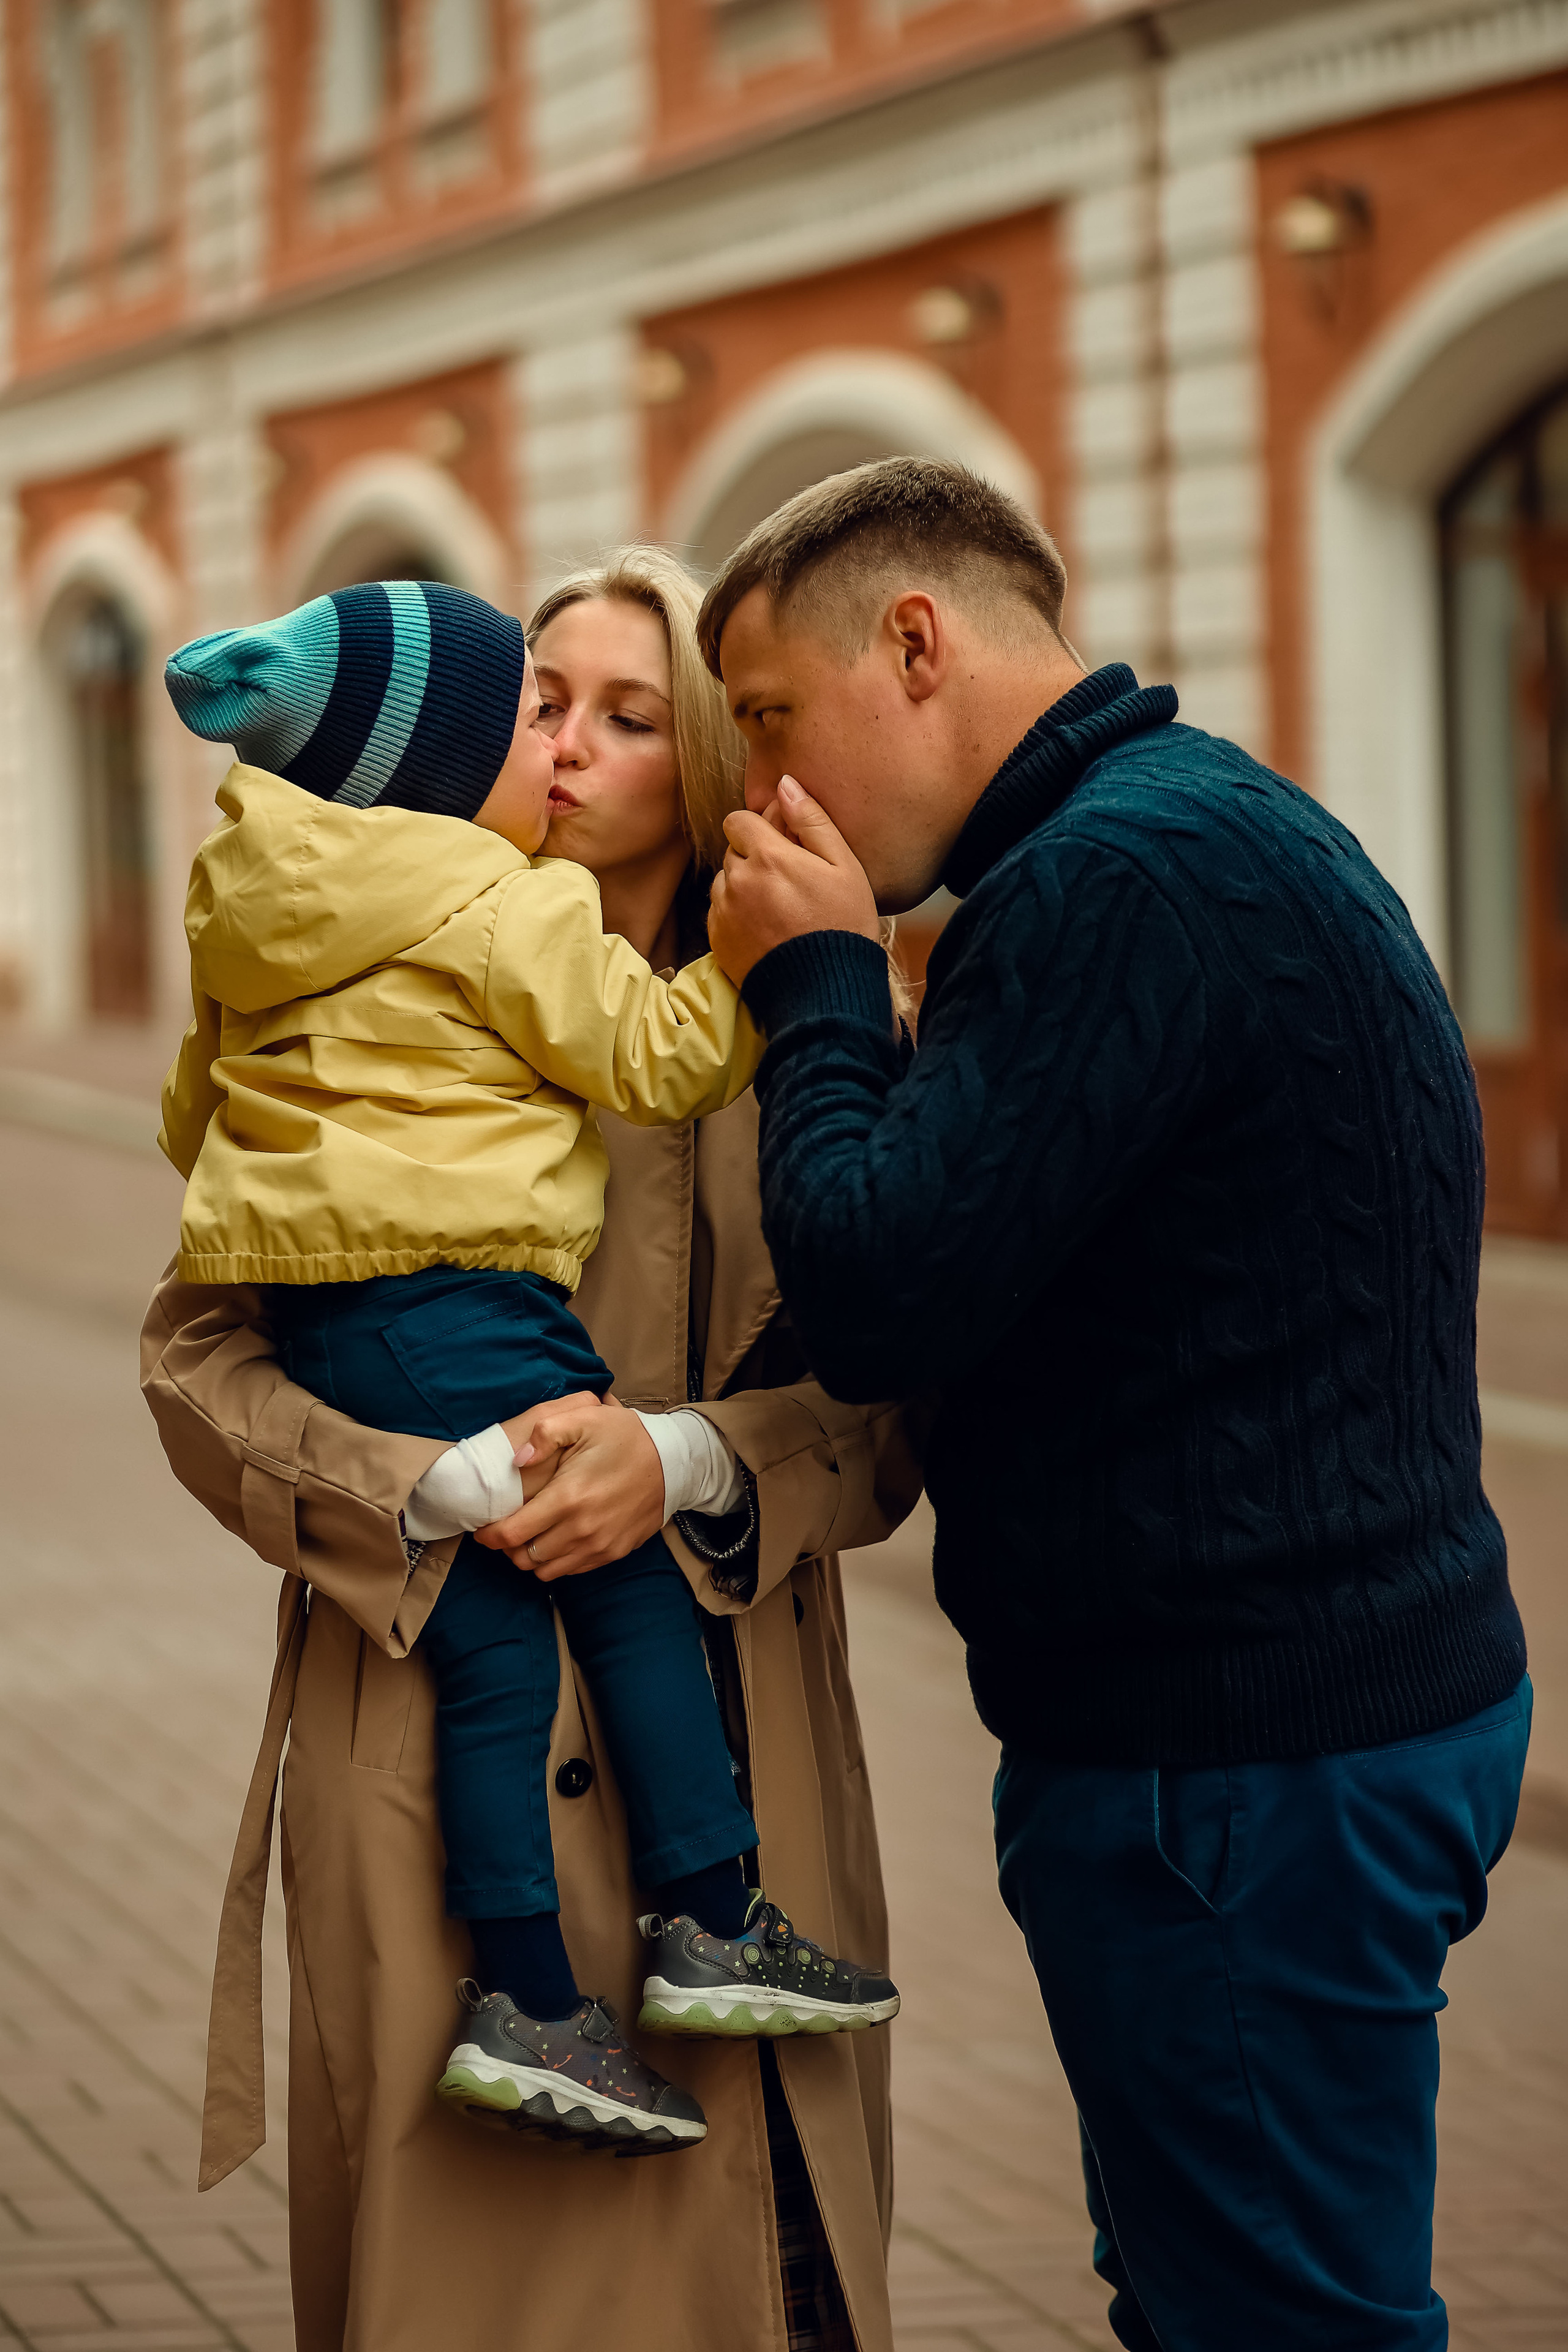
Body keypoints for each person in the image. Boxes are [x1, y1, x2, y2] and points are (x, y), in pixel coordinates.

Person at [699, 456, 1532, 2352]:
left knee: (1270, 2323)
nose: (764, 795)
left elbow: (882, 1287)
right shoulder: (1204, 824)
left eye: (768, 721)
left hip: (1233, 1768)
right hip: (1323, 1723)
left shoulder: (1111, 883)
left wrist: (822, 987)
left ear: (915, 642)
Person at [141, 548, 918, 2350]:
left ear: (710, 761)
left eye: (626, 715)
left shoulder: (812, 1020)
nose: (565, 745)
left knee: (771, 2280)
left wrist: (693, 1457)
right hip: (426, 1734)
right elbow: (197, 1355)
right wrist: (410, 1489)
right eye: (540, 703)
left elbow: (893, 1402)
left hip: (739, 1733)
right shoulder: (341, 984)